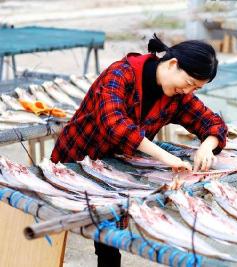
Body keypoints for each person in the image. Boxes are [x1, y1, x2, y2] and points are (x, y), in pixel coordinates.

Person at [50, 34, 227, 267]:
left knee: (110, 231)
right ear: (173, 64)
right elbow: (114, 124)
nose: (188, 91)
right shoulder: (121, 73)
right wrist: (166, 156)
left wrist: (207, 145)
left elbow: (213, 123)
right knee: (79, 222)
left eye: (195, 88)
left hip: (119, 166)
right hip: (78, 157)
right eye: (189, 83)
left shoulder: (177, 95)